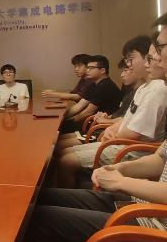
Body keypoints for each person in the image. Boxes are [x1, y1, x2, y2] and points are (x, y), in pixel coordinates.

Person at [24, 16, 167, 242]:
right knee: (36, 199)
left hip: (157, 230)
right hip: (142, 204)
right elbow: (160, 159)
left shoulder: (157, 90)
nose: (156, 57)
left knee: (38, 220)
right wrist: (122, 169)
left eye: (160, 48)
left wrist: (121, 182)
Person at [56, 39, 167, 187]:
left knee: (65, 160)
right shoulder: (143, 88)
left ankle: (71, 195)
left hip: (132, 149)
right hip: (120, 142)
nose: (128, 65)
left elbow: (134, 133)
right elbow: (126, 119)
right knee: (62, 152)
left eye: (131, 59)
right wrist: (110, 129)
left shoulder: (158, 89)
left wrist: (112, 133)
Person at [59, 55, 122, 134]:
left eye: (91, 68)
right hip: (93, 121)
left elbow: (88, 112)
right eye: (87, 67)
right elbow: (80, 105)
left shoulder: (105, 85)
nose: (87, 70)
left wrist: (66, 121)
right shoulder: (94, 84)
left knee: (60, 129)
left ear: (102, 70)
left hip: (102, 126)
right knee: (59, 126)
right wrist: (62, 117)